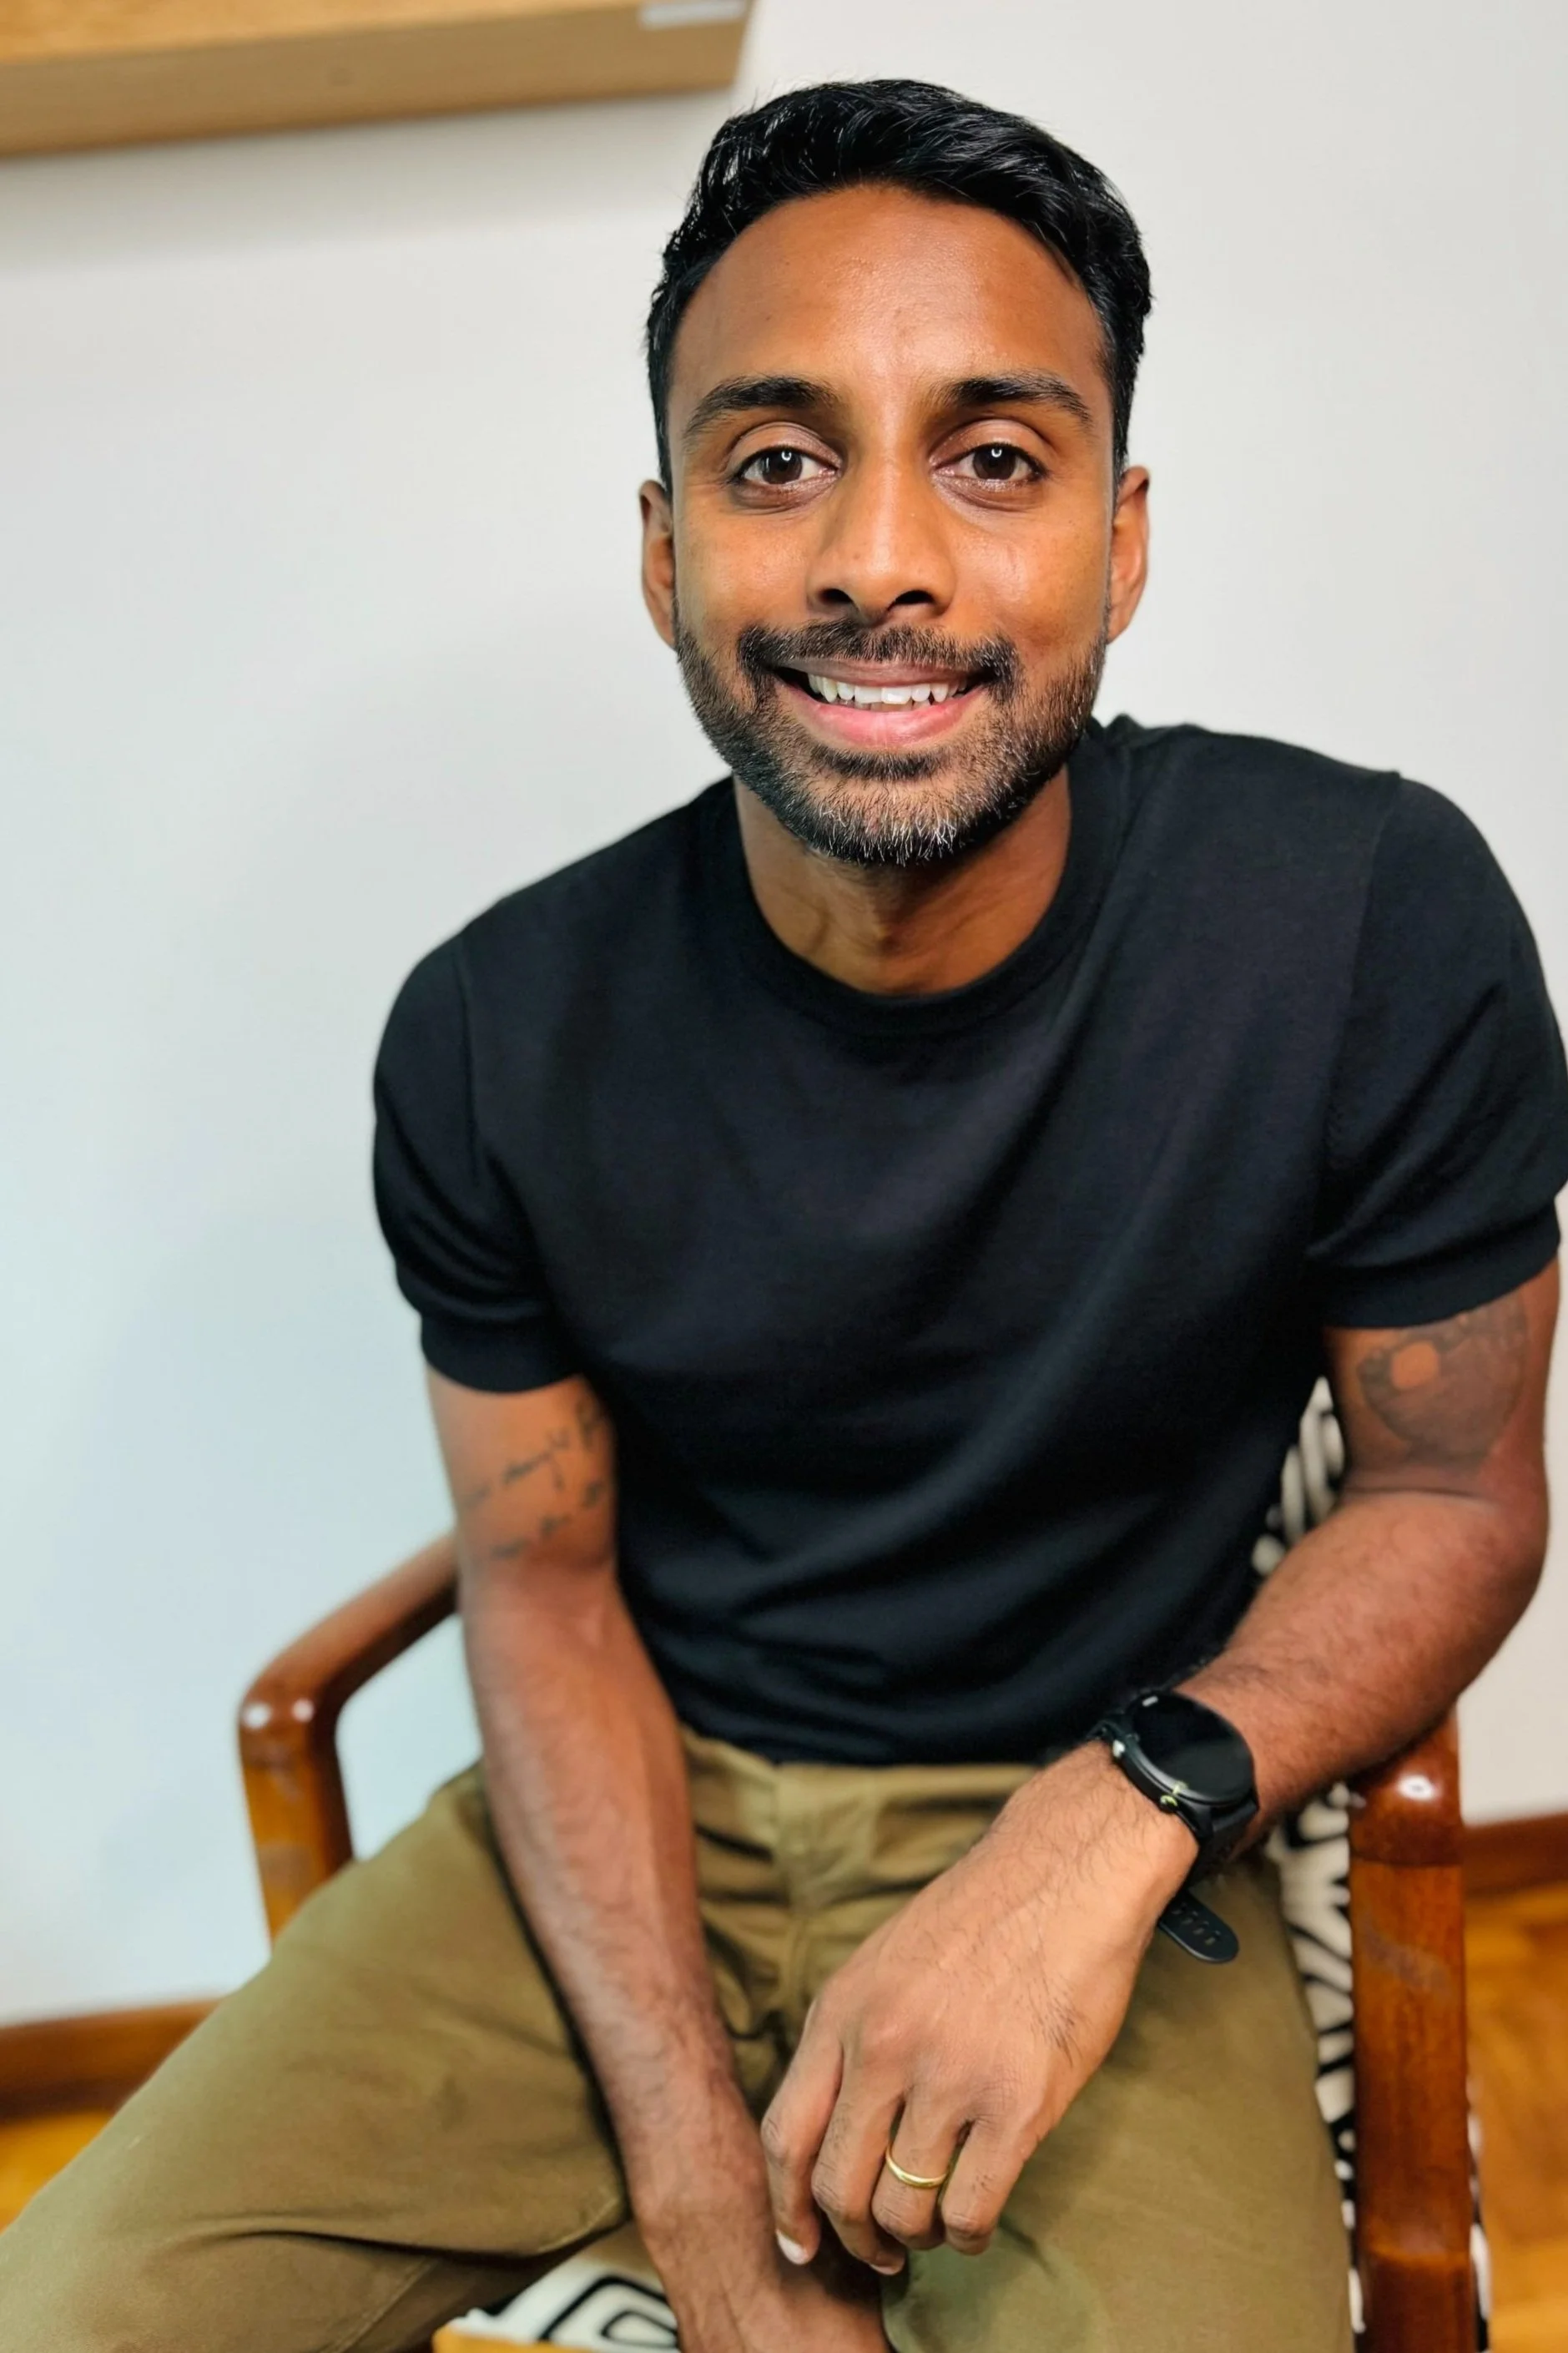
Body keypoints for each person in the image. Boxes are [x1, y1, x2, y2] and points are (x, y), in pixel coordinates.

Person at [3, 76, 1565, 2353]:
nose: (877, 559)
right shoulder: (490, 1031)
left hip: (1109, 1808)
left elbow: (1452, 1489)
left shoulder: (1365, 924)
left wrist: (1107, 1824)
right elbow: (543, 1588)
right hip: (634, 1819)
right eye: (773, 462)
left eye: (993, 457)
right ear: (664, 554)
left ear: (1122, 541)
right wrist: (702, 2197)